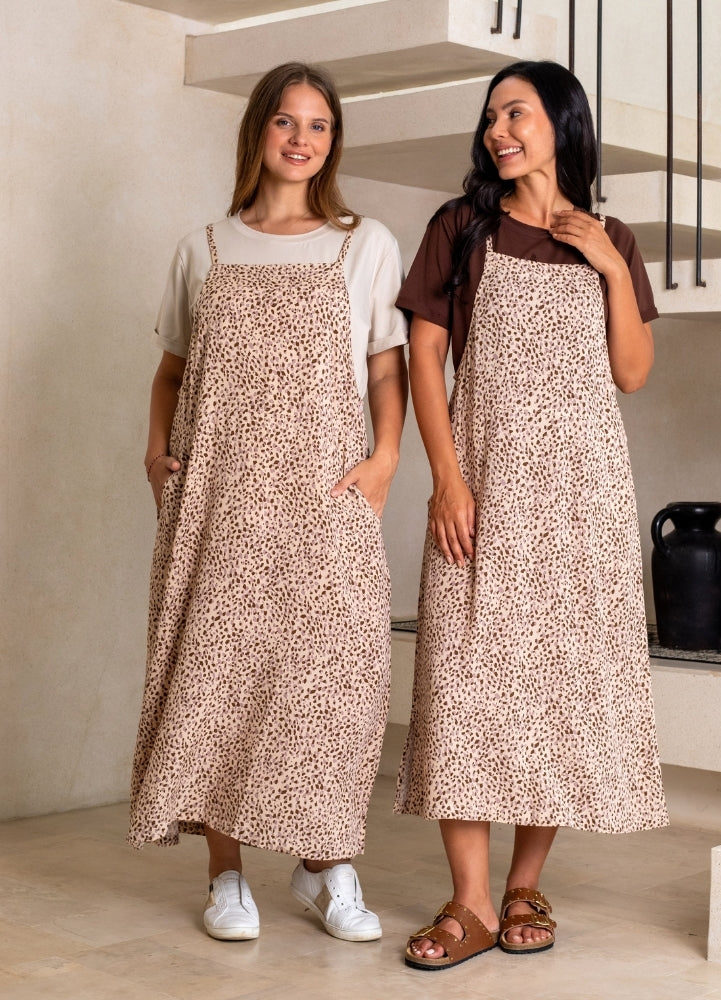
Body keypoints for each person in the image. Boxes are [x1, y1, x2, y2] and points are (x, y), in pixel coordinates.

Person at [394, 60, 668, 971]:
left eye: (516, 113)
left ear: (561, 123)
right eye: (489, 117)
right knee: (466, 680)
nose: (498, 130)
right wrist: (447, 476)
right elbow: (425, 361)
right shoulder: (461, 227)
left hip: (582, 496)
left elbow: (631, 372)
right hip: (485, 484)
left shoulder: (613, 238)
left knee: (556, 684)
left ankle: (524, 884)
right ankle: (470, 902)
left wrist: (601, 261)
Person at [128, 62, 408, 946]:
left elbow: (386, 366)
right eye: (285, 122)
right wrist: (155, 451)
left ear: (333, 142)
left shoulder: (364, 243)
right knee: (217, 683)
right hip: (218, 505)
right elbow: (172, 369)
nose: (301, 139)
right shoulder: (202, 246)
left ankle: (328, 866)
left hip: (323, 502)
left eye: (319, 125)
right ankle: (226, 877)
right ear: (258, 133)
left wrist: (386, 459)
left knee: (328, 689)